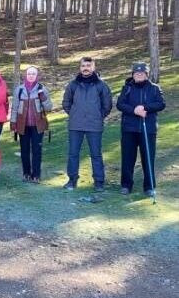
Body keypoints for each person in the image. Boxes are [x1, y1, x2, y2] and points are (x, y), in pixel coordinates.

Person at [61, 56, 112, 191]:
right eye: (83, 66)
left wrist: (98, 116)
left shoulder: (101, 86)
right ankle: (72, 180)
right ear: (80, 67)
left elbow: (107, 105)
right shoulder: (73, 85)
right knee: (73, 153)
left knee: (96, 154)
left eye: (88, 66)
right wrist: (73, 114)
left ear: (93, 67)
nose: (86, 68)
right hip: (75, 125)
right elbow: (66, 103)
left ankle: (99, 182)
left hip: (94, 125)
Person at [116, 62, 165, 197]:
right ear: (133, 75)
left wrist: (145, 108)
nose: (139, 74)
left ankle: (149, 186)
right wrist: (134, 110)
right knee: (127, 159)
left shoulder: (154, 88)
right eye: (136, 73)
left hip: (148, 129)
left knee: (148, 158)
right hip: (129, 128)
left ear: (146, 75)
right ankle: (126, 185)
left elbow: (161, 104)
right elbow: (120, 104)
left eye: (142, 73)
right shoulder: (127, 88)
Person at [10, 66, 53, 183]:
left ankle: (36, 175)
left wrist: (42, 97)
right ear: (25, 75)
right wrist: (13, 123)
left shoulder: (42, 89)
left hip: (37, 125)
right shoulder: (19, 90)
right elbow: (14, 108)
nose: (31, 76)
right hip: (22, 125)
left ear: (37, 76)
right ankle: (26, 173)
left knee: (36, 150)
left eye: (33, 74)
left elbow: (49, 108)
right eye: (29, 73)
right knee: (24, 150)